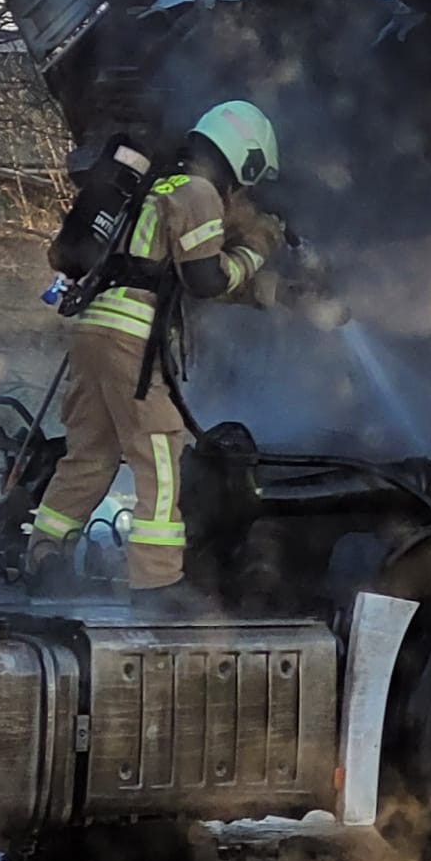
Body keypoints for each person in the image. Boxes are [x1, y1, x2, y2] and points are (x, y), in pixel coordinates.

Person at [26, 100, 282, 612]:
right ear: (244, 160)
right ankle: (156, 581)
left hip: (92, 328)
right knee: (160, 454)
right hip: (129, 337)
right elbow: (204, 279)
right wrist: (256, 252)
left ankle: (42, 555)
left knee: (90, 453)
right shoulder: (198, 192)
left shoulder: (156, 184)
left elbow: (164, 265)